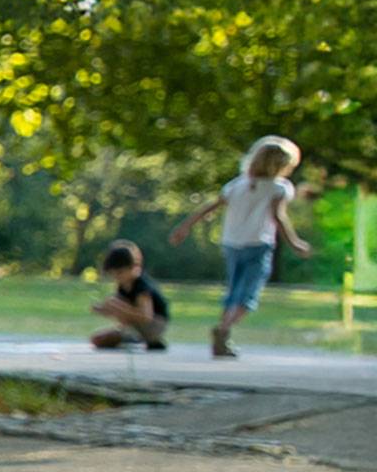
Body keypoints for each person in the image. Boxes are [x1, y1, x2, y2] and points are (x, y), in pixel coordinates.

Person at [170, 135, 312, 357]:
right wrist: (294, 243)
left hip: (232, 244)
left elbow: (210, 207)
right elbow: (278, 217)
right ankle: (224, 329)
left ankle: (222, 335)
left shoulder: (237, 185)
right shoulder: (279, 188)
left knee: (234, 289)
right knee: (247, 295)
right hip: (258, 244)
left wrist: (185, 226)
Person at [90, 240, 169, 350]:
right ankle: (131, 337)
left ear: (133, 268)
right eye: (114, 274)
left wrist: (119, 308)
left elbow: (146, 316)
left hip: (154, 324)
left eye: (120, 272)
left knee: (113, 302)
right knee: (97, 340)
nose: (117, 277)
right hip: (134, 326)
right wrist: (104, 309)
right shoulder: (123, 286)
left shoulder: (141, 286)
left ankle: (141, 338)